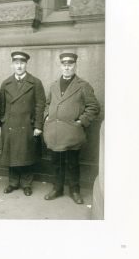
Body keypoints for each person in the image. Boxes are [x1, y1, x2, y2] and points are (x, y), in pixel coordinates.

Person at [43, 51, 100, 204]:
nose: (67, 68)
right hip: (54, 133)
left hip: (72, 133)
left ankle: (75, 190)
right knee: (56, 163)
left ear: (75, 65)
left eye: (70, 64)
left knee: (72, 163)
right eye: (64, 64)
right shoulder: (54, 85)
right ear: (60, 66)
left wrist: (81, 121)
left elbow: (94, 106)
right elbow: (47, 103)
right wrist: (46, 116)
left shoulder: (83, 86)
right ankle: (57, 188)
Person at [0, 51, 46, 196]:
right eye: (16, 63)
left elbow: (40, 105)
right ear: (12, 64)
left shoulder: (35, 82)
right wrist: (1, 123)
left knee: (26, 154)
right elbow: (1, 106)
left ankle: (26, 184)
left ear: (26, 64)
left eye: (22, 63)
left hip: (27, 124)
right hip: (10, 125)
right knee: (12, 154)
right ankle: (13, 183)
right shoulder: (6, 83)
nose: (19, 66)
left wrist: (38, 125)